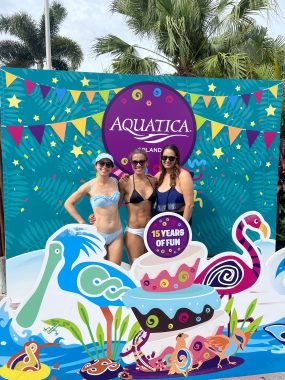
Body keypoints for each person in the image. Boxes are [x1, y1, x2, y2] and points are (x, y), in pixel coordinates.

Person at [64, 153, 123, 265]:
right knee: (99, 269)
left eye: (108, 164)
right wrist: (81, 221)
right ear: (96, 165)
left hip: (117, 234)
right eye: (101, 163)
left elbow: (116, 203)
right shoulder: (89, 186)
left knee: (115, 269)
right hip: (98, 234)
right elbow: (68, 203)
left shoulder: (115, 182)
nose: (104, 166)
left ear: (112, 168)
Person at [119, 148, 157, 263]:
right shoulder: (125, 183)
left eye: (142, 161)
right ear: (131, 164)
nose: (138, 164)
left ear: (147, 163)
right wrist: (97, 215)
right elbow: (114, 206)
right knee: (137, 268)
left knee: (152, 268)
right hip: (134, 232)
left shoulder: (153, 180)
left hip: (152, 231)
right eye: (135, 162)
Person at [154, 144, 194, 223]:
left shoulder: (184, 176)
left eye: (171, 158)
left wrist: (183, 227)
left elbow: (189, 205)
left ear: (176, 159)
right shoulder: (159, 176)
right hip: (160, 226)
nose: (167, 160)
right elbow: (143, 182)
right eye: (164, 157)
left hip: (178, 226)